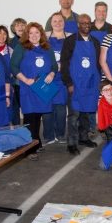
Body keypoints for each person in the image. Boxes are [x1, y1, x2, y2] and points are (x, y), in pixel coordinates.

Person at [11, 22, 58, 159]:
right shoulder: (21, 48)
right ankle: (29, 148)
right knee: (30, 116)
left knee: (38, 116)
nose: (34, 35)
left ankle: (36, 142)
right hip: (28, 88)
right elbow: (13, 67)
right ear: (27, 35)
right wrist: (25, 79)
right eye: (31, 33)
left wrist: (51, 74)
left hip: (42, 87)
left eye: (37, 32)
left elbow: (54, 66)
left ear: (41, 34)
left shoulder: (47, 48)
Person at [61, 13, 101, 155]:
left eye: (88, 23)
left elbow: (98, 64)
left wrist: (97, 82)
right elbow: (64, 64)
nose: (86, 25)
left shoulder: (95, 42)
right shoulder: (70, 41)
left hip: (90, 83)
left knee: (86, 111)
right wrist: (69, 83)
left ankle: (83, 137)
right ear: (78, 25)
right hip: (75, 84)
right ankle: (71, 143)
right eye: (83, 23)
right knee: (73, 115)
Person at [43, 12, 71, 144]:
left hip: (62, 79)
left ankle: (60, 134)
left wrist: (61, 66)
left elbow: (73, 57)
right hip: (47, 77)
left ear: (64, 23)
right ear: (51, 23)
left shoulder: (70, 38)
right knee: (47, 108)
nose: (58, 23)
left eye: (60, 21)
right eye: (55, 21)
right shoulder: (44, 38)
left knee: (60, 108)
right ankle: (48, 135)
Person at [0, 25, 20, 125]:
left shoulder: (10, 50)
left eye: (4, 33)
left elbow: (15, 67)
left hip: (9, 85)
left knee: (14, 110)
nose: (2, 35)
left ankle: (17, 133)